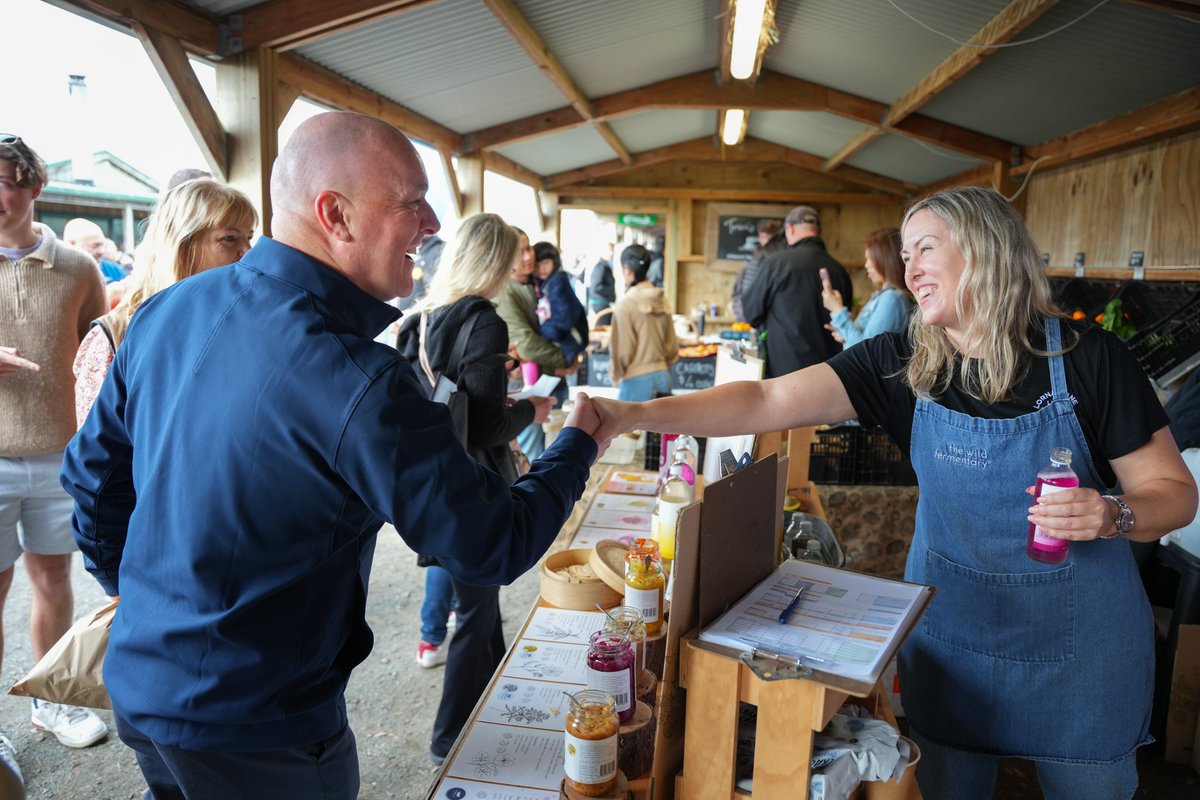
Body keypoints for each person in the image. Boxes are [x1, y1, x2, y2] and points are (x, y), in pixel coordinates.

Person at [587, 186, 1197, 800]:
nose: (910, 270)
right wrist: (631, 414)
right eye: (905, 255)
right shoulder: (905, 361)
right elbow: (767, 399)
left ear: (986, 250)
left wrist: (1112, 512)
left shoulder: (1090, 358)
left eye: (925, 248)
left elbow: (1174, 494)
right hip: (954, 640)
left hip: (1080, 656)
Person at [60, 111, 602, 800]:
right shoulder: (355, 375)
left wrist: (137, 598)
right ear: (335, 215)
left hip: (143, 685)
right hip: (261, 726)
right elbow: (490, 544)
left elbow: (93, 480)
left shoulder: (169, 311)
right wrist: (580, 442)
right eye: (412, 202)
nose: (433, 223)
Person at [396, 214, 557, 763]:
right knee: (475, 611)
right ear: (493, 260)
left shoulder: (418, 320)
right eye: (512, 257)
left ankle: (493, 704)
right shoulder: (483, 321)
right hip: (472, 486)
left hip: (429, 482)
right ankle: (449, 738)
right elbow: (488, 426)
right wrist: (532, 407)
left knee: (481, 605)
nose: (518, 268)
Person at [0, 136, 109, 782]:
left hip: (60, 454)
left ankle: (52, 699)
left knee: (54, 580)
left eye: (6, 182)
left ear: (34, 186)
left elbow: (102, 352)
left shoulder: (77, 267)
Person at [73, 178, 257, 425]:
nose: (248, 251)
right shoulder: (115, 336)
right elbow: (93, 451)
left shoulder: (248, 321)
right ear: (183, 245)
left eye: (250, 237)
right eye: (230, 238)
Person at [741, 205, 852, 377]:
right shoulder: (839, 271)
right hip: (830, 376)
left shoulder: (774, 264)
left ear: (790, 229)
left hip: (784, 377)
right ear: (819, 231)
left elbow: (751, 314)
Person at [496, 229, 571, 460]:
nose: (528, 256)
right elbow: (525, 343)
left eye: (529, 248)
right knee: (533, 451)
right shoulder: (506, 292)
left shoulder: (537, 283)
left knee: (555, 447)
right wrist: (564, 359)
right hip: (525, 382)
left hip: (550, 379)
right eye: (519, 252)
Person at [821, 226, 912, 348]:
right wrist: (845, 334)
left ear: (887, 259)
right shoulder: (886, 296)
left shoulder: (892, 299)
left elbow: (866, 350)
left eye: (871, 258)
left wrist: (837, 309)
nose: (866, 265)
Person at [610, 244, 677, 401]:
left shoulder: (626, 305)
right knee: (661, 426)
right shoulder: (662, 300)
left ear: (627, 270)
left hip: (635, 381)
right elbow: (673, 346)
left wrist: (616, 374)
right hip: (663, 377)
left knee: (629, 426)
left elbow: (624, 351)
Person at [533, 241, 589, 365]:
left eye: (545, 263)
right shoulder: (544, 284)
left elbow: (563, 318)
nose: (541, 268)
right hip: (566, 341)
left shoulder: (556, 282)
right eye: (537, 265)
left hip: (570, 342)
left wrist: (543, 332)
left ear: (555, 261)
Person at [731, 218, 783, 322]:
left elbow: (742, 291)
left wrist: (743, 314)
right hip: (775, 318)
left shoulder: (756, 258)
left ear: (761, 235)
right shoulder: (783, 255)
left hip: (756, 316)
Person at [63, 218, 126, 284]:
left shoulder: (114, 271)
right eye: (95, 245)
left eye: (103, 245)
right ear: (71, 244)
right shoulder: (56, 274)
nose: (102, 251)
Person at [588, 243, 616, 318]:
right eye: (610, 251)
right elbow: (596, 286)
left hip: (603, 302)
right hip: (600, 303)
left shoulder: (605, 266)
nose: (612, 253)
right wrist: (611, 291)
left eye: (613, 250)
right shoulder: (600, 267)